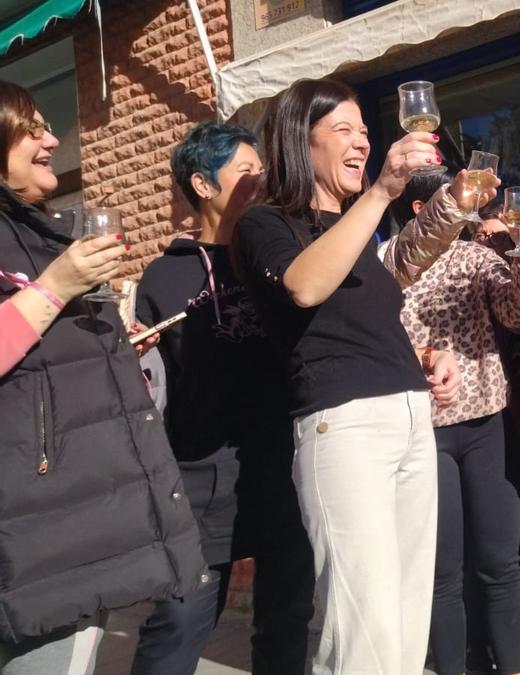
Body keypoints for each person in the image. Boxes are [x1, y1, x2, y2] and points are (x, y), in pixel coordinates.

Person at [235, 78, 489, 674]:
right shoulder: (265, 224)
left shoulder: (359, 228)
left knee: (404, 618)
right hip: (342, 427)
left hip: (407, 419)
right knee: (360, 627)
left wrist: (426, 356)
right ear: (302, 140)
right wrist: (381, 192)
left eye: (365, 131)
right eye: (343, 129)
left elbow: (366, 320)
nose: (361, 142)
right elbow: (304, 287)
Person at [0, 80, 205, 673]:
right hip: (39, 523)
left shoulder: (39, 232)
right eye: (32, 127)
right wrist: (57, 285)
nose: (51, 138)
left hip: (64, 515)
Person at [131, 121, 315, 675]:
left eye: (262, 170)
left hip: (285, 466)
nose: (260, 180)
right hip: (202, 480)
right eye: (245, 171)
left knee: (286, 621)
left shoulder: (281, 255)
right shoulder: (163, 277)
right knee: (181, 622)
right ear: (203, 185)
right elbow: (153, 383)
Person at [388, 175, 520, 675]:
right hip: (420, 430)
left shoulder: (475, 257)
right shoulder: (388, 262)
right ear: (420, 206)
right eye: (455, 198)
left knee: (501, 564)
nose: (469, 209)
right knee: (441, 573)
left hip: (485, 425)